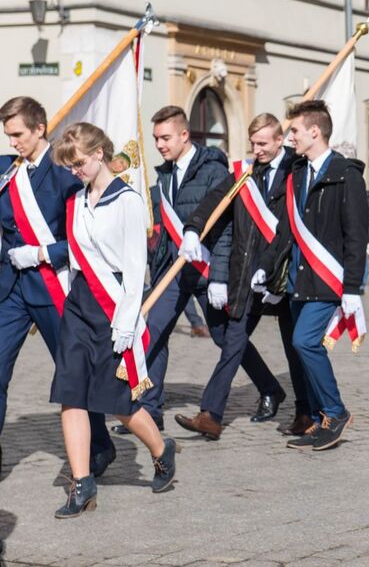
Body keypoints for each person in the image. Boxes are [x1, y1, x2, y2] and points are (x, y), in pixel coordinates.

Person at [49, 123, 179, 518]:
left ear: (100, 154)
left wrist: (126, 324)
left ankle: (161, 449)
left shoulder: (128, 201)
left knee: (116, 401)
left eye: (80, 163)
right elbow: (75, 258)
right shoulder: (76, 200)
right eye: (70, 166)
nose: (75, 171)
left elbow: (135, 265)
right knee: (70, 395)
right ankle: (82, 485)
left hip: (114, 307)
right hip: (79, 305)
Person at [0, 97, 114, 478]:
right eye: (7, 135)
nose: (12, 142)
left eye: (17, 134)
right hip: (12, 290)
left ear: (39, 129)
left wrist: (39, 253)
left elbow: (83, 238)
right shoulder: (6, 171)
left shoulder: (67, 173)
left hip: (53, 286)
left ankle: (99, 445)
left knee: (74, 373)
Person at [174, 113, 297, 440]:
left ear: (280, 139)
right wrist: (192, 229)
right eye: (253, 143)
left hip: (282, 277)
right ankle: (212, 415)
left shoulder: (294, 172)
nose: (257, 150)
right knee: (231, 342)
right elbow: (215, 200)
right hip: (247, 277)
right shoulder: (245, 172)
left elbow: (289, 229)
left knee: (296, 349)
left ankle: (310, 410)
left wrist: (271, 270)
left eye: (263, 143)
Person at [113, 105, 234, 436]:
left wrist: (220, 277)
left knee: (228, 338)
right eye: (155, 139)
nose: (160, 144)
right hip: (174, 270)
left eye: (166, 138)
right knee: (154, 328)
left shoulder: (212, 170)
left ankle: (269, 389)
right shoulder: (163, 173)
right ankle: (150, 410)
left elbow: (225, 229)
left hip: (206, 269)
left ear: (184, 134)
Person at [255, 100, 368, 451]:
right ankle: (319, 417)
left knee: (305, 342)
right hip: (299, 280)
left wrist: (352, 287)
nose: (291, 138)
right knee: (300, 347)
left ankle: (335, 411)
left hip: (327, 280)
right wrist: (266, 265)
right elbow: (287, 230)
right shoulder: (299, 173)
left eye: (295, 131)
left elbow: (356, 234)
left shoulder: (345, 175)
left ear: (314, 131)